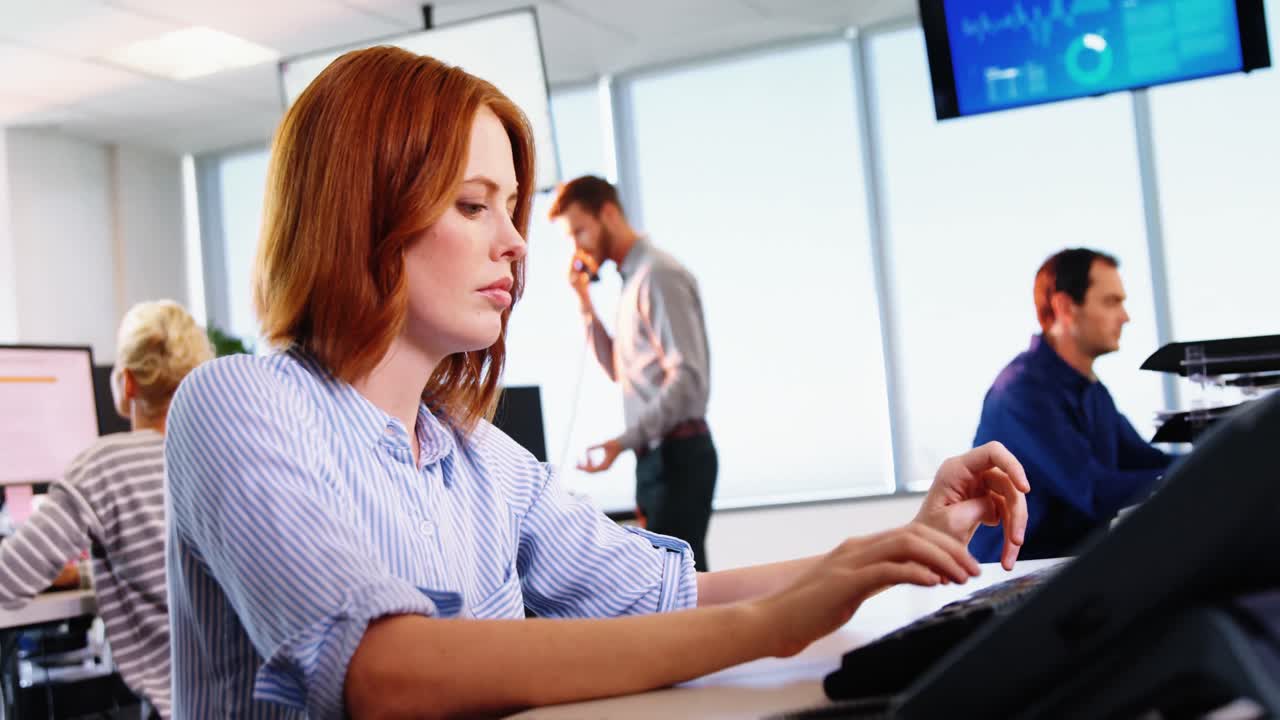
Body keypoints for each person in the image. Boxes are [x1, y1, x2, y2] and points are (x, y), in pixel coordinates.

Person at [164, 46, 1031, 719]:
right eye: (474, 206)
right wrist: (766, 628)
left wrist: (883, 551)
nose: (514, 242)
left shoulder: (475, 457)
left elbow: (667, 596)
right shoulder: (238, 404)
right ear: (363, 212)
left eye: (512, 209)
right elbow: (383, 675)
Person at [0, 300, 213, 719]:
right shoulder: (216, 453)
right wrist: (80, 574)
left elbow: (8, 579)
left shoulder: (105, 465)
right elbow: (172, 563)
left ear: (127, 383)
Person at [548, 176, 717, 571]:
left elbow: (689, 381)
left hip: (678, 456)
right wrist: (584, 301)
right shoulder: (631, 282)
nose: (578, 247)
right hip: (657, 459)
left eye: (579, 232)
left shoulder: (657, 275)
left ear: (607, 213)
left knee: (676, 592)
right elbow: (617, 371)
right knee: (675, 593)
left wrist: (621, 442)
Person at [969, 248, 1174, 563]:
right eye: (1111, 302)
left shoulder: (1092, 390)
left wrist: (1220, 459)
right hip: (1013, 578)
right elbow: (1090, 490)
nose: (1125, 316)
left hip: (1067, 570)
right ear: (1065, 306)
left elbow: (1145, 461)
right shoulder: (1022, 390)